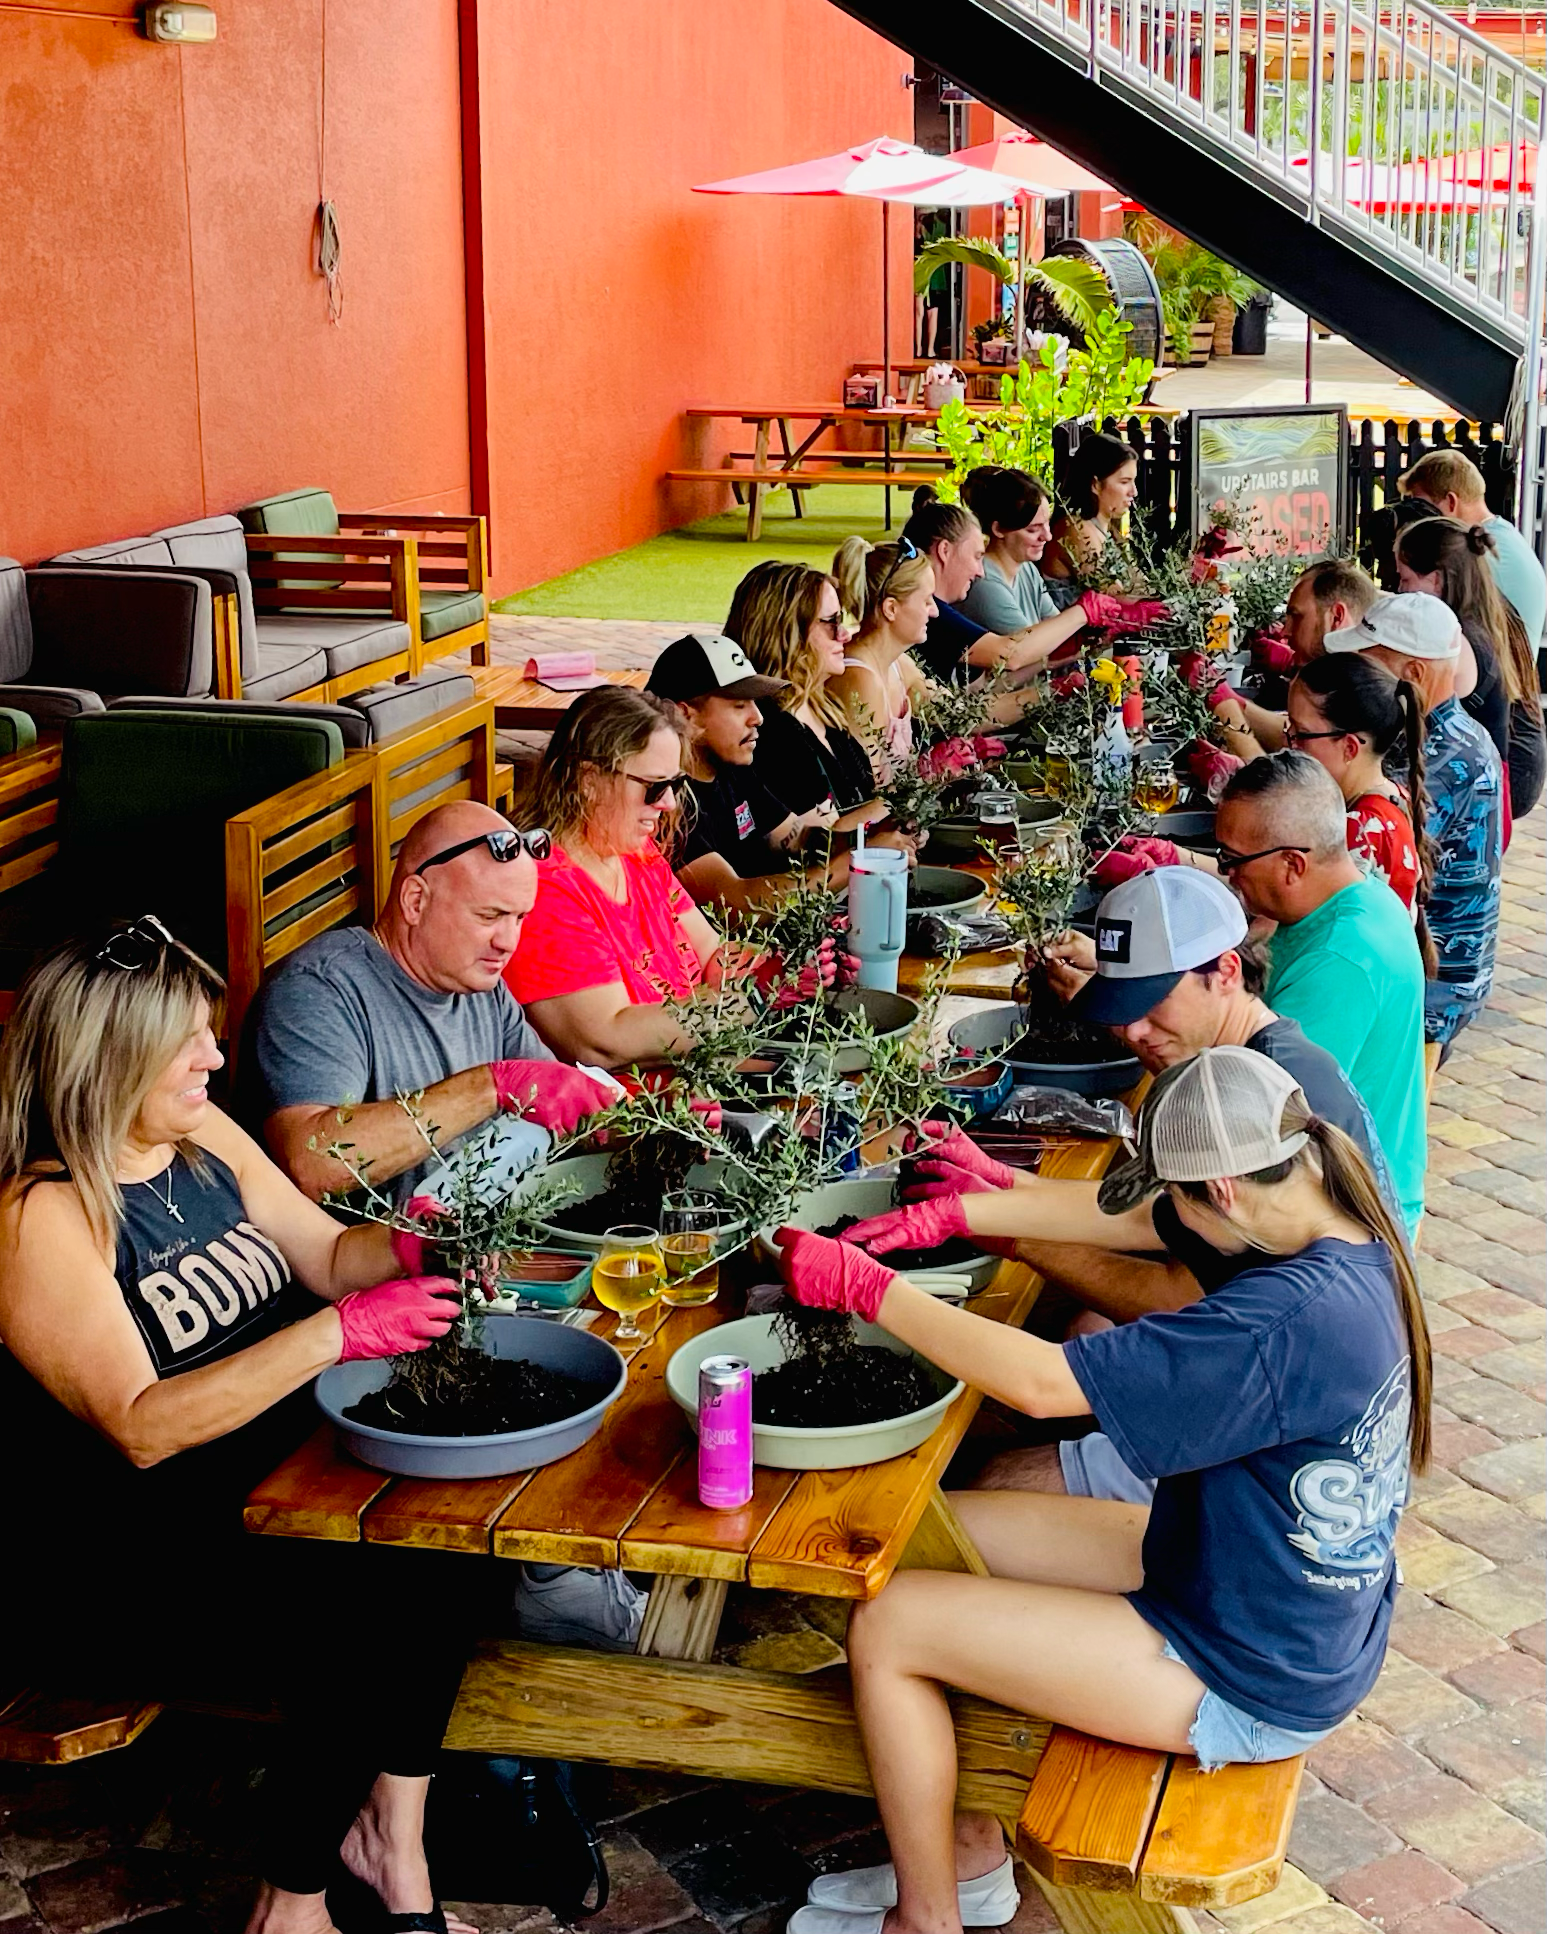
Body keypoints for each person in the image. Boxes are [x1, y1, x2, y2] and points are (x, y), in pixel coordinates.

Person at [778, 1048, 1429, 1934]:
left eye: (1184, 1202)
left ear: (1223, 1193)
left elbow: (1045, 1385)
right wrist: (973, 1201)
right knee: (927, 1535)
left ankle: (925, 1921)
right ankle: (964, 1854)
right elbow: (1138, 1219)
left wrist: (869, 1290)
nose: (1173, 1220)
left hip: (1245, 1668)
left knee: (888, 1623)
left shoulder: (1284, 1317)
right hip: (1244, 1578)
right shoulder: (1326, 1208)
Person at [0, 919, 483, 1934]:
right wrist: (332, 1338)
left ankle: (391, 1840)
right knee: (368, 1587)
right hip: (135, 1555)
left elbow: (324, 1254)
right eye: (189, 1043)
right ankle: (291, 1902)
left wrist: (411, 1247)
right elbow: (140, 1428)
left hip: (279, 1480)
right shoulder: (40, 1214)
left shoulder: (202, 1130)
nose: (216, 1058)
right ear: (110, 1055)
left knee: (449, 1525)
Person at [837, 868, 1414, 1502]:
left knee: (990, 1477)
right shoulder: (1254, 1071)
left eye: (1152, 1003)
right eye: (1122, 1008)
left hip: (1270, 1454)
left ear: (1224, 971)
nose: (1133, 1031)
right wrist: (994, 1195)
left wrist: (988, 1243)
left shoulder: (1250, 1103)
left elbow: (1169, 1298)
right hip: (1271, 1392)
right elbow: (1144, 1213)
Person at [251, 801, 615, 1209]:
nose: (508, 942)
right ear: (415, 901)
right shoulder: (319, 989)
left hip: (484, 1240)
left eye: (519, 918)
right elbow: (315, 1163)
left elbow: (563, 1104)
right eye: (489, 916)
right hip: (384, 1263)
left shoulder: (480, 983)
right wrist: (491, 1086)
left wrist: (670, 1121)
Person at [506, 685, 822, 1069]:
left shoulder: (634, 852)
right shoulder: (544, 887)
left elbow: (713, 954)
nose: (668, 803)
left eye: (675, 784)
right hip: (635, 1114)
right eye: (654, 787)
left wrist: (789, 972)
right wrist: (754, 999)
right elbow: (606, 1041)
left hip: (698, 1078)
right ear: (588, 781)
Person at [1213, 751, 1428, 1218]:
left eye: (1232, 860)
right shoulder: (1353, 894)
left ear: (1292, 864)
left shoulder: (1340, 961)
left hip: (1349, 1209)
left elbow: (1256, 1108)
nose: (1227, 875)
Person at [1323, 591, 1504, 1054]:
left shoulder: (1444, 756)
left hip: (1435, 987)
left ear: (1414, 675)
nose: (1356, 680)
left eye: (1367, 666)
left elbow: (1337, 847)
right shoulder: (1448, 730)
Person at [643, 630, 915, 912]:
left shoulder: (731, 771)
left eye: (755, 703)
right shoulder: (667, 803)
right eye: (739, 705)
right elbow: (734, 903)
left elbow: (797, 838)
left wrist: (870, 837)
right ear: (684, 714)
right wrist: (860, 862)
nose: (757, 717)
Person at [1395, 513, 1545, 822]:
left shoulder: (1458, 643)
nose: (1399, 590)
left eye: (1405, 579)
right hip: (1490, 780)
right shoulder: (1486, 612)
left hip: (1478, 794)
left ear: (1436, 580)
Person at [957, 466, 1153, 669]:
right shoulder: (986, 583)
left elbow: (1058, 631)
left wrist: (1107, 628)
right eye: (1033, 530)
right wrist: (1085, 616)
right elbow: (1030, 653)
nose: (1047, 537)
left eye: (1046, 525)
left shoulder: (1026, 569)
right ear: (998, 529)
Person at [724, 561, 877, 819]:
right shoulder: (767, 728)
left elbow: (865, 798)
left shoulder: (826, 710)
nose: (844, 635)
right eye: (831, 622)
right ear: (787, 630)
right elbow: (818, 840)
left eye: (842, 620)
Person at [1289, 654, 1429, 917]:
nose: (1291, 744)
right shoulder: (1392, 795)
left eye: (1301, 734)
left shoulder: (1359, 828)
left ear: (1349, 747)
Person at [1401, 447, 1546, 663]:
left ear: (1451, 502)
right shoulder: (1499, 538)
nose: (1418, 517)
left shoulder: (1476, 554)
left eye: (1423, 506)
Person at [1236, 560, 1380, 750]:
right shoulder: (1341, 677)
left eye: (1296, 616)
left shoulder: (1369, 692)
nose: (1285, 632)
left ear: (1336, 616)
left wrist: (1224, 702)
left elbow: (1301, 747)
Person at [831, 537, 933, 782]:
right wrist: (934, 774)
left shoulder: (899, 665)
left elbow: (960, 714)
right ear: (891, 609)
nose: (935, 610)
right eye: (927, 600)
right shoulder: (860, 680)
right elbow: (871, 789)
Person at [1042, 431, 1139, 594]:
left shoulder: (1106, 529)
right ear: (1096, 485)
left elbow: (1137, 582)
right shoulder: (1075, 529)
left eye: (1133, 481)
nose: (1133, 491)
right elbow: (1115, 594)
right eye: (1124, 482)